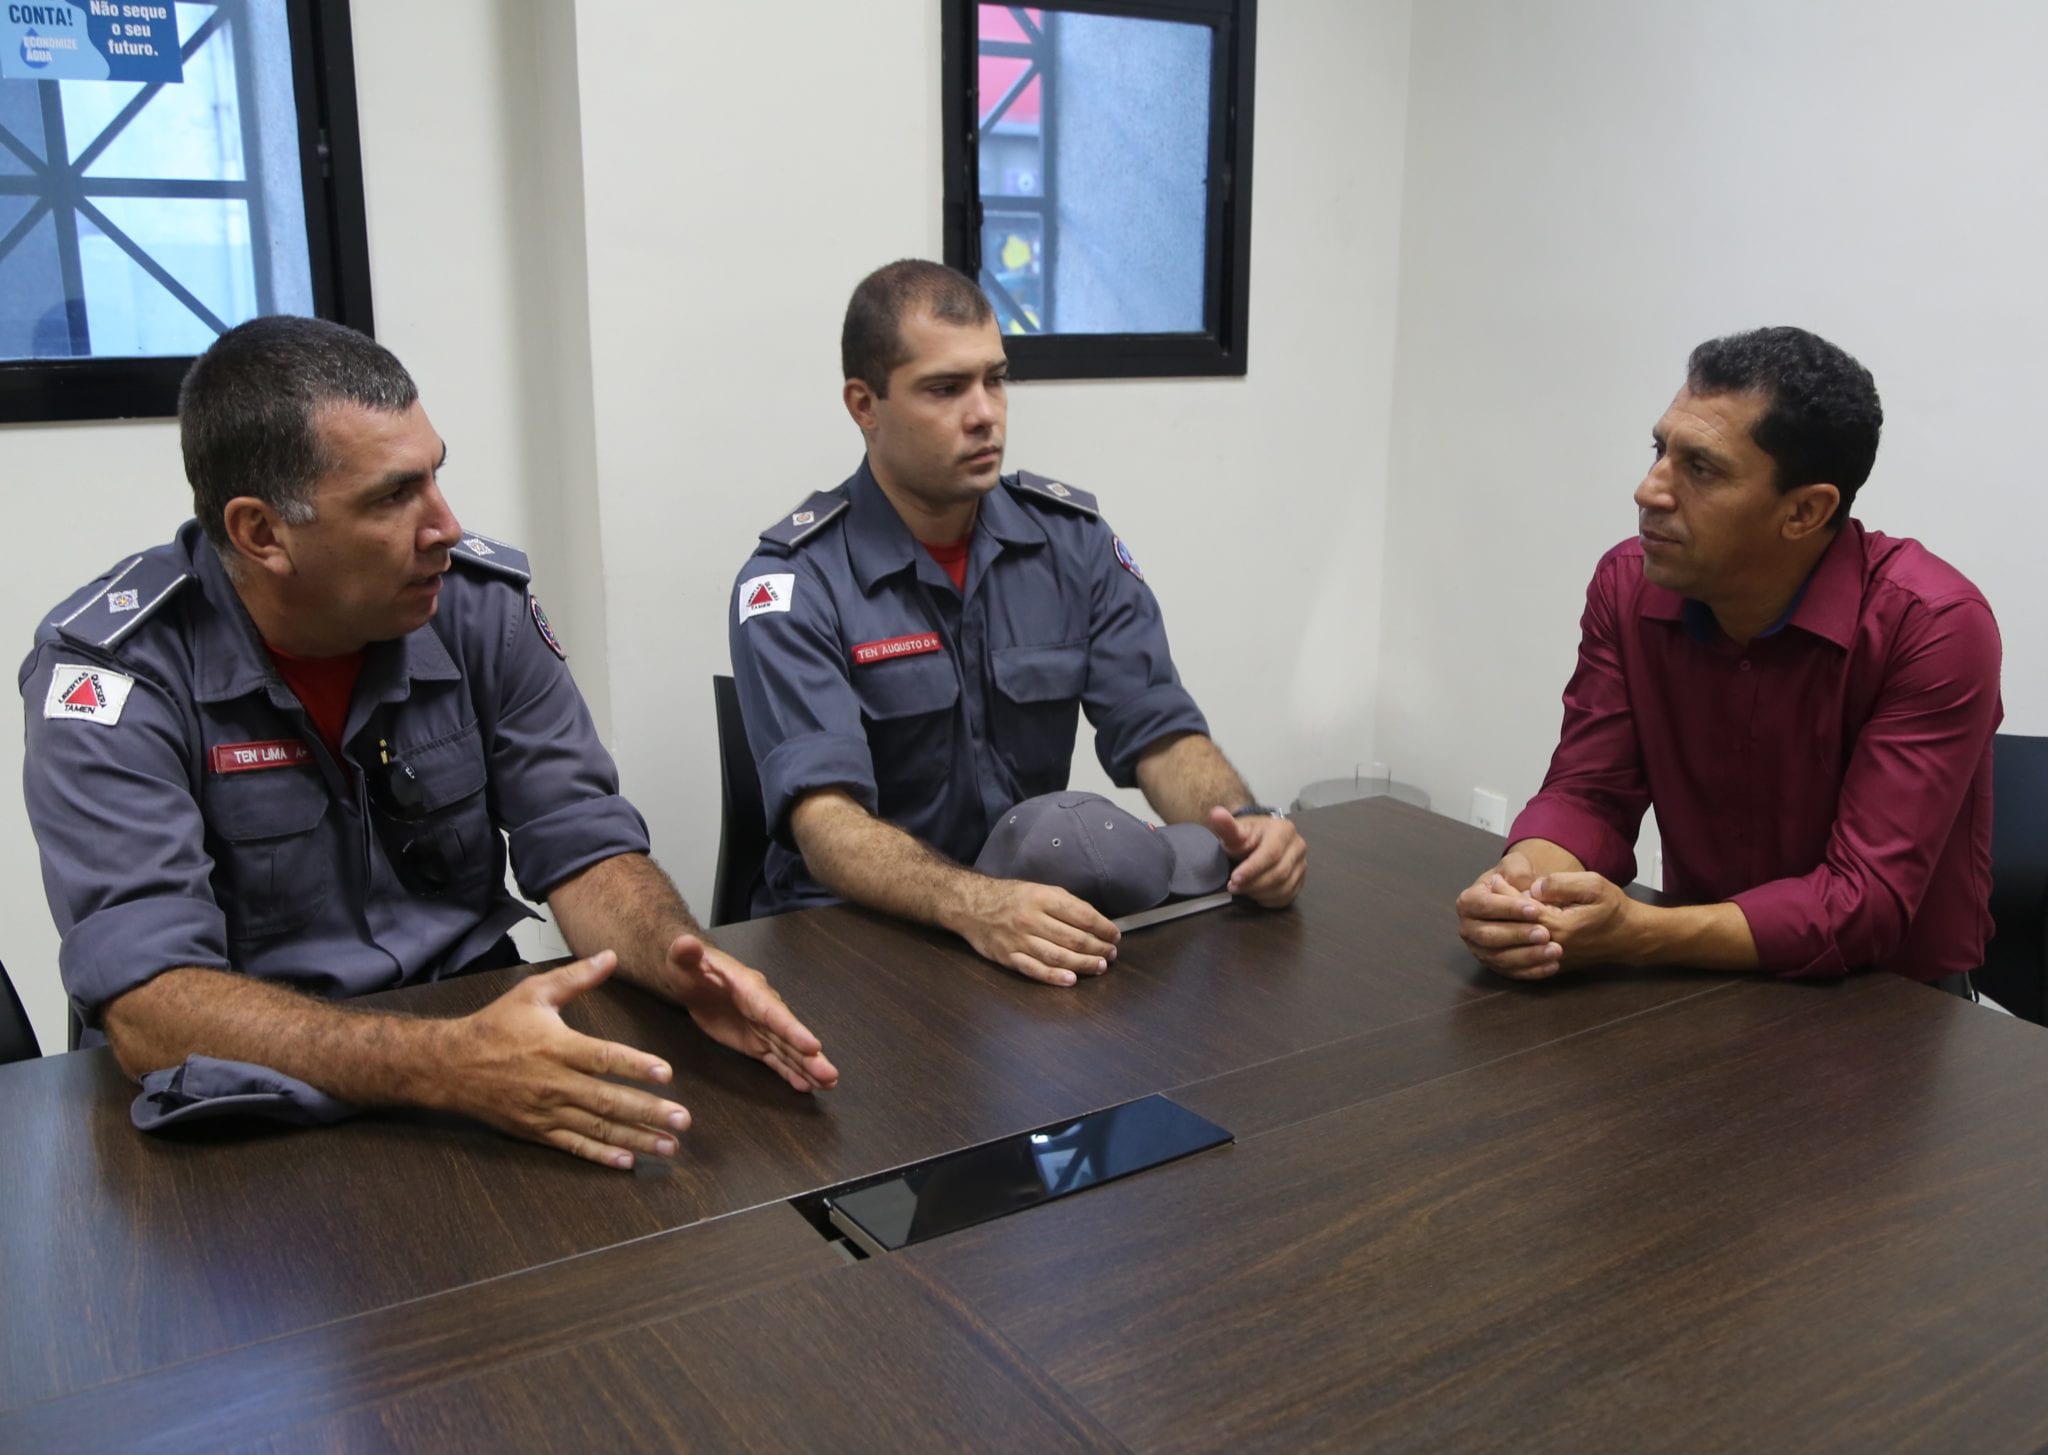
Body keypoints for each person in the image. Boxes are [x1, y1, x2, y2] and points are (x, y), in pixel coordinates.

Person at [20, 315, 836, 1167]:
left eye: (436, 476)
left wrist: (679, 957)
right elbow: (155, 1006)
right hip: (248, 1104)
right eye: (390, 496)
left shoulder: (475, 604)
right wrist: (440, 1063)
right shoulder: (112, 676)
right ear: (262, 533)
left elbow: (581, 839)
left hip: (479, 1050)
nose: (443, 525)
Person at [728, 259, 1307, 987]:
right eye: (945, 388)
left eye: (994, 379)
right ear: (863, 404)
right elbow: (826, 822)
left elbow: (1158, 731)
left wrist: (1248, 825)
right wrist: (974, 904)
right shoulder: (794, 582)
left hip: (1029, 929)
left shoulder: (1072, 543)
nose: (985, 413)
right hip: (857, 948)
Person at [1455, 326, 2000, 994]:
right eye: (1660, 450)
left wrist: (1636, 931)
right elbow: (1590, 794)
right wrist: (1525, 892)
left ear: (1805, 510)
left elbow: (1863, 901)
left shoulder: (1935, 625)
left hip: (1890, 1004)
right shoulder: (1629, 588)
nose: (1649, 490)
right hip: (1700, 971)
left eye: (1701, 468)